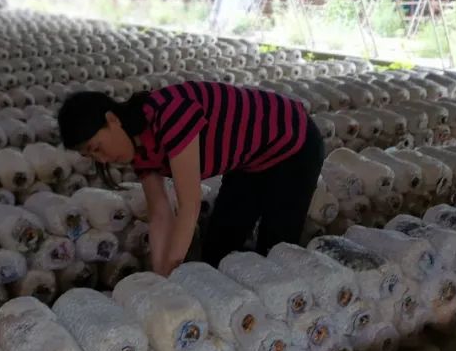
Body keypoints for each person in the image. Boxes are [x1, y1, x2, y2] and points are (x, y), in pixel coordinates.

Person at [58, 81, 324, 276]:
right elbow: (160, 213)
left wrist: (172, 270)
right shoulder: (140, 150)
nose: (102, 159)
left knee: (275, 246)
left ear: (112, 119)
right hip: (249, 160)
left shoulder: (170, 114)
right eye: (91, 155)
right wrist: (160, 274)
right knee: (218, 245)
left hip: (293, 144)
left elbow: (189, 205)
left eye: (97, 147)